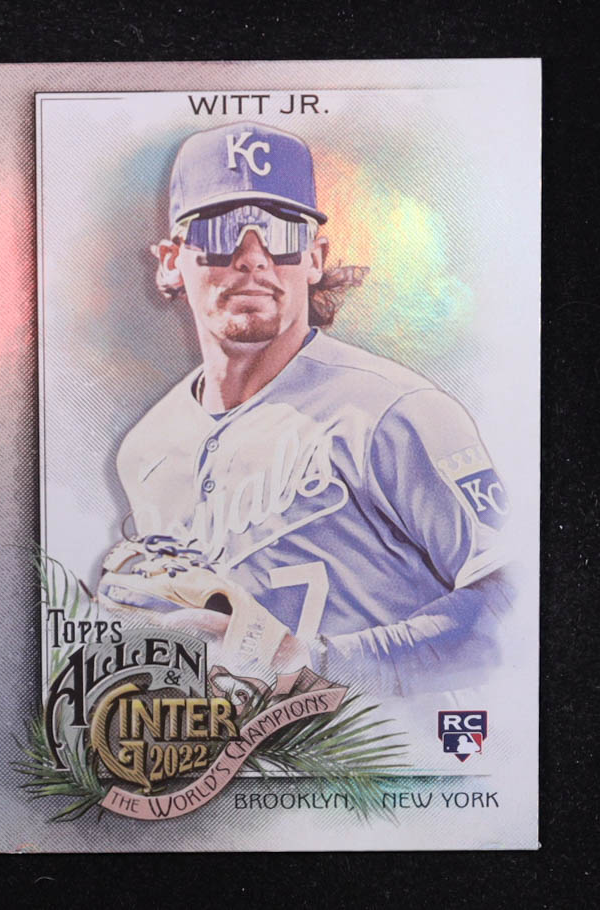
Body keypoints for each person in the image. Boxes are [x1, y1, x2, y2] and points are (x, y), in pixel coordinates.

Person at [99, 121, 515, 697]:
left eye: (280, 231)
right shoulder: (146, 451)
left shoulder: (395, 412)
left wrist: (312, 662)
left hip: (394, 750)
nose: (253, 257)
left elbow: (516, 606)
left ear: (315, 256)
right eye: (219, 230)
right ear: (171, 261)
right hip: (236, 753)